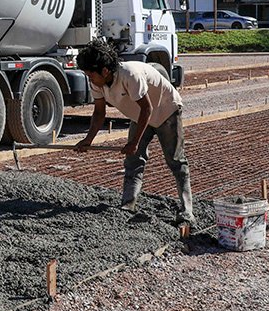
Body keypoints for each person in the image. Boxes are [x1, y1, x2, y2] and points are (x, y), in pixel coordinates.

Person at [73, 39, 194, 224]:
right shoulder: (98, 83)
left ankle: (187, 211)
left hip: (166, 110)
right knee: (133, 161)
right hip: (141, 116)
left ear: (104, 71)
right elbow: (99, 113)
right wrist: (88, 140)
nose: (90, 79)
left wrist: (134, 143)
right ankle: (128, 204)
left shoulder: (130, 74)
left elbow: (147, 108)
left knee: (176, 161)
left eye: (91, 75)